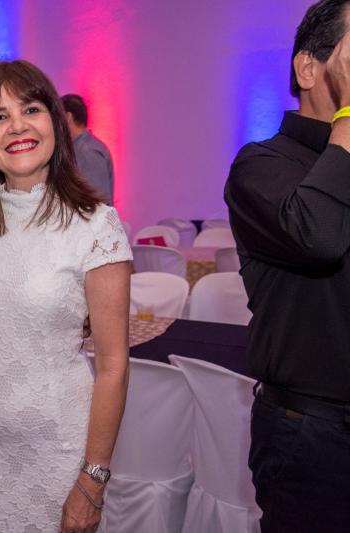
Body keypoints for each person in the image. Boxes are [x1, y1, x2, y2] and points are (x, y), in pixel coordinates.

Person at [0, 60, 132, 532]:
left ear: (55, 121)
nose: (17, 126)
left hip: (59, 455)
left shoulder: (96, 224)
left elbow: (114, 366)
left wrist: (92, 481)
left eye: (30, 109)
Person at [224, 1, 350, 530]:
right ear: (308, 68)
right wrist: (348, 114)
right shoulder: (260, 164)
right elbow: (318, 235)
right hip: (314, 434)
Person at [61, 94, 115, 206]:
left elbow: (98, 204)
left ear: (67, 117)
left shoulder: (87, 151)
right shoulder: (81, 148)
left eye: (56, 117)